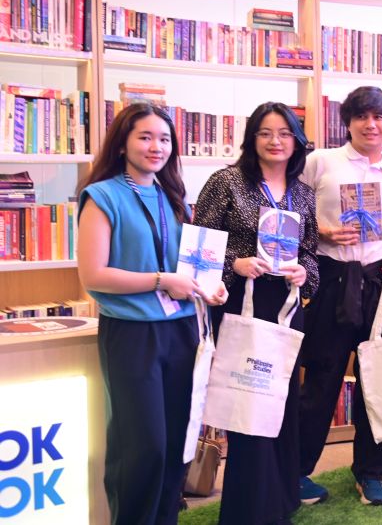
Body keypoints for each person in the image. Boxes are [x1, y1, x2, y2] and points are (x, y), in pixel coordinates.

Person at [77, 102, 226, 525]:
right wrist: (162, 281)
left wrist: (207, 287)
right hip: (132, 334)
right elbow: (94, 275)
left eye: (164, 139)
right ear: (122, 144)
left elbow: (188, 268)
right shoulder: (103, 196)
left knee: (177, 445)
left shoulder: (172, 197)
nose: (156, 146)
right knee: (144, 449)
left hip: (182, 330)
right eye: (144, 137)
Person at [194, 101, 319, 525]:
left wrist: (305, 273)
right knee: (247, 406)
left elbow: (310, 253)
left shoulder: (303, 192)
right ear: (251, 139)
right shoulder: (226, 182)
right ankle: (249, 511)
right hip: (240, 304)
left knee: (281, 404)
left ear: (297, 141)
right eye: (265, 132)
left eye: (284, 133)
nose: (275, 141)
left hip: (285, 307)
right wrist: (236, 263)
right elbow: (199, 249)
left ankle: (280, 504)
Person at [297, 86, 382, 507]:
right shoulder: (320, 162)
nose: (370, 124)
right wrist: (321, 232)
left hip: (378, 283)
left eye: (378, 117)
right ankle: (296, 471)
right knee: (320, 380)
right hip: (331, 278)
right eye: (361, 116)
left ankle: (372, 473)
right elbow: (290, 211)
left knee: (377, 382)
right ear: (348, 122)